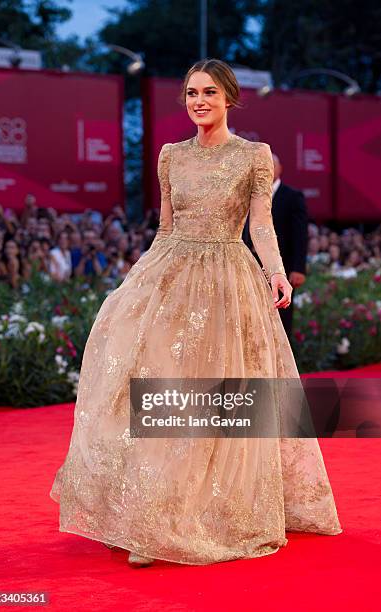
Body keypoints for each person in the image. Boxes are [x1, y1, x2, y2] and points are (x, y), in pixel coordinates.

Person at [50, 58, 341, 568]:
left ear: (229, 97)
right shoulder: (169, 156)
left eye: (208, 92)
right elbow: (165, 228)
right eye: (190, 93)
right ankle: (151, 519)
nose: (198, 101)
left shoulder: (253, 156)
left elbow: (262, 226)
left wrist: (276, 270)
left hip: (228, 280)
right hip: (171, 274)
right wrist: (136, 281)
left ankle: (208, 511)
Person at [242, 152, 308, 339]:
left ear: (279, 169)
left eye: (270, 166)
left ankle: (281, 366)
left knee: (280, 318)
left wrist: (298, 268)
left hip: (282, 267)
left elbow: (300, 235)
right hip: (249, 265)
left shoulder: (293, 197)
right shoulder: (247, 195)